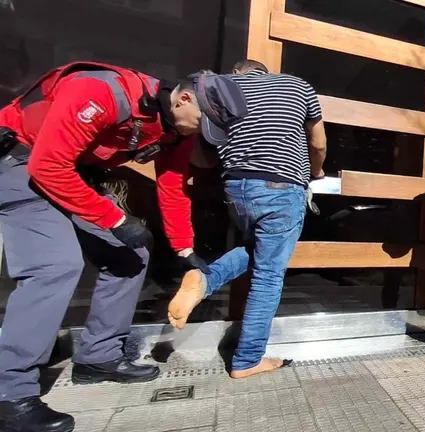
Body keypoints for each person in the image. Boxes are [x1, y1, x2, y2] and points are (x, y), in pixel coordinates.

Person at [0, 62, 208, 432]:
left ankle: (98, 358)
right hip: (21, 160)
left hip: (72, 174)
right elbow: (47, 167)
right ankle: (9, 392)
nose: (206, 135)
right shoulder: (102, 91)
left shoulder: (178, 130)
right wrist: (115, 219)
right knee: (55, 265)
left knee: (131, 255)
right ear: (185, 98)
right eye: (206, 124)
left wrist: (183, 250)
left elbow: (172, 190)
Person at [166, 60, 327, 379]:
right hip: (281, 187)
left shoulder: (218, 90)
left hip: (236, 190)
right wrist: (317, 171)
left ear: (237, 73)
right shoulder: (297, 85)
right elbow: (318, 143)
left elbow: (200, 158)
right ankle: (247, 359)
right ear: (265, 73)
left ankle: (205, 279)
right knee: (268, 274)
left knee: (257, 250)